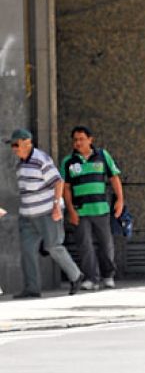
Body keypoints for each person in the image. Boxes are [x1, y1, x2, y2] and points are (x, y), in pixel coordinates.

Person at [8, 129, 84, 298]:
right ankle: (32, 288)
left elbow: (58, 182)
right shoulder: (20, 163)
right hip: (27, 215)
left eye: (16, 144)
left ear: (27, 142)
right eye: (12, 145)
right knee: (27, 251)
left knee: (53, 246)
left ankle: (76, 275)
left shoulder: (41, 159)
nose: (14, 149)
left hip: (47, 213)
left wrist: (57, 206)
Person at [61, 125, 124, 290]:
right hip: (80, 210)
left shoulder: (102, 156)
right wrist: (70, 210)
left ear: (90, 139)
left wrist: (120, 201)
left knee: (106, 244)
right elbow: (65, 188)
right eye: (75, 140)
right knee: (85, 245)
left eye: (81, 139)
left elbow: (114, 178)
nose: (78, 143)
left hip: (101, 209)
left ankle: (108, 276)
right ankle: (91, 278)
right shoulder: (68, 161)